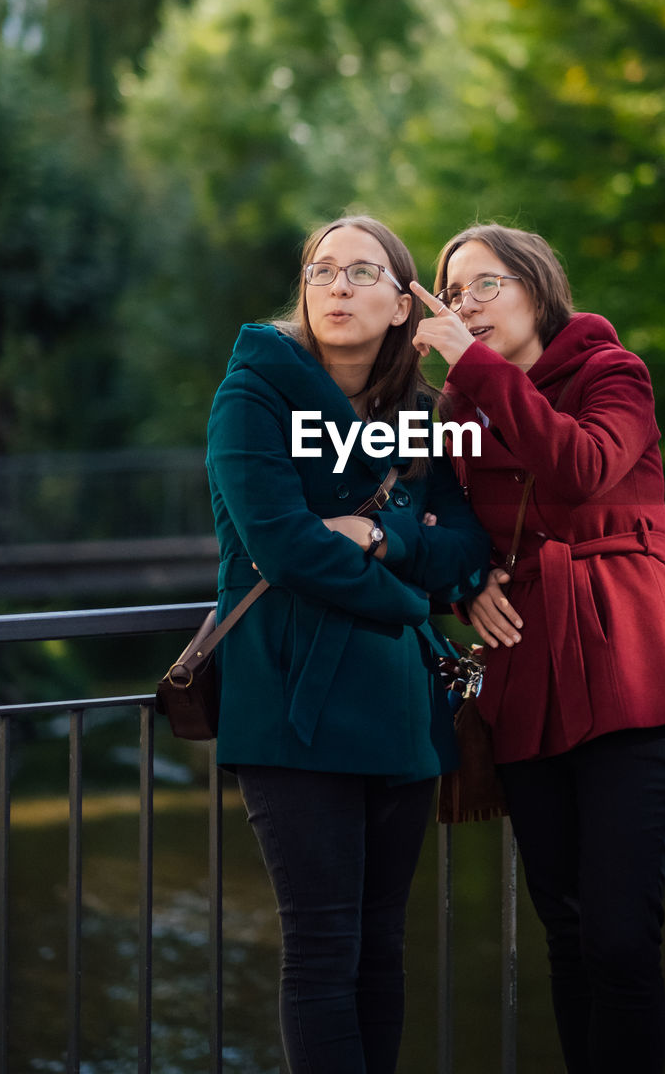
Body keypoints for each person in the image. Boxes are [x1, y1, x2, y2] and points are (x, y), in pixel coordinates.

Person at [410, 222, 665, 1074]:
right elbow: (437, 530)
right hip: (527, 679)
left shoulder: (612, 373)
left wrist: (474, 370)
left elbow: (578, 467)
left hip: (630, 667)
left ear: (537, 288)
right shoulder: (456, 415)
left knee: (619, 938)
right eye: (454, 290)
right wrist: (460, 586)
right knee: (568, 934)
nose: (467, 304)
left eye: (486, 285)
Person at [205, 214, 489, 1074]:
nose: (336, 286)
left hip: (401, 703)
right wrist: (412, 590)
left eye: (362, 273)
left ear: (404, 305)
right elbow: (284, 546)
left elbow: (464, 546)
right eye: (322, 270)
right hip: (291, 693)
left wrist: (380, 541)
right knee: (323, 948)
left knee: (379, 948)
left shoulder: (423, 413)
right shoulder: (253, 390)